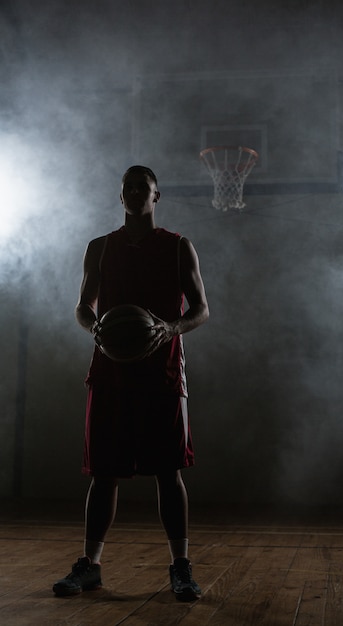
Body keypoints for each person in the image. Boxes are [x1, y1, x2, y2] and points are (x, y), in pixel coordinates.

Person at [53, 165, 209, 602]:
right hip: (110, 370)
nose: (136, 191)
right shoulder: (100, 248)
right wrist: (95, 328)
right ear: (120, 196)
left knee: (167, 471)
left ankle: (180, 567)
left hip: (161, 371)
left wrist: (170, 329)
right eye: (129, 186)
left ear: (157, 196)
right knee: (104, 473)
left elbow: (202, 309)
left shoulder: (178, 248)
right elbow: (83, 307)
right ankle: (90, 566)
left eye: (144, 185)